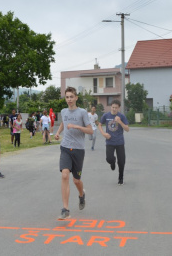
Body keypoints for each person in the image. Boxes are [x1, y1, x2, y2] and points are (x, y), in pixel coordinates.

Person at [54, 86, 93, 220]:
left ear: (76, 98)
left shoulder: (82, 112)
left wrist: (76, 126)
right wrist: (58, 133)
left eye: (71, 97)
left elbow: (90, 131)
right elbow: (63, 124)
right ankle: (66, 209)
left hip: (78, 150)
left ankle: (82, 195)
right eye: (67, 97)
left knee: (76, 180)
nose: (69, 99)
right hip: (65, 147)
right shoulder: (63, 111)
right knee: (65, 175)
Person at [98, 99, 129, 185]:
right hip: (110, 142)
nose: (114, 109)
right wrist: (103, 133)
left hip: (120, 142)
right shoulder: (106, 115)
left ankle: (120, 178)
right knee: (109, 159)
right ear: (110, 107)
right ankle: (112, 162)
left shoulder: (121, 116)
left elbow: (127, 129)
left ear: (119, 108)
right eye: (112, 107)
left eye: (116, 108)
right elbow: (99, 125)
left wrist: (120, 122)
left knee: (122, 162)